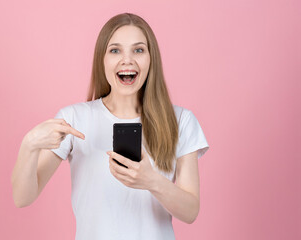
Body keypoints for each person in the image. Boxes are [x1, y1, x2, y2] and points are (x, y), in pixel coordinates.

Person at [11, 12, 209, 240]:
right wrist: (29, 146)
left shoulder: (180, 120)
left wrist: (152, 182)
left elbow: (190, 211)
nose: (127, 60)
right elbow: (22, 198)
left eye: (138, 50)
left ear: (151, 58)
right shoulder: (75, 119)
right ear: (102, 59)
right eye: (115, 50)